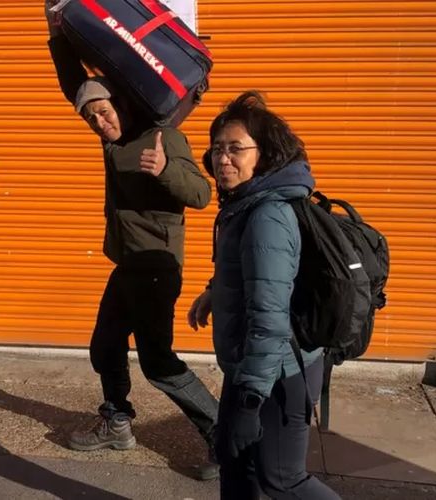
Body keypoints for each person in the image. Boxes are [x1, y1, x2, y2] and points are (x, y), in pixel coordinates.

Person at [44, 3, 219, 479]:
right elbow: (72, 85)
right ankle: (116, 423)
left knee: (159, 363)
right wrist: (56, 30)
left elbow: (202, 195)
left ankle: (226, 441)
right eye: (91, 119)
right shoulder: (112, 139)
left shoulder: (162, 138)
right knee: (104, 347)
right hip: (127, 265)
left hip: (158, 268)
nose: (99, 123)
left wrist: (165, 174)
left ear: (121, 102)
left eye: (102, 113)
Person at [188, 91, 341, 499]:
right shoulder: (247, 203)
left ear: (264, 154)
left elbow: (270, 319)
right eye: (217, 148)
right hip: (252, 366)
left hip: (277, 373)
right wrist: (213, 292)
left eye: (235, 148)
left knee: (281, 479)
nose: (223, 159)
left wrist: (250, 401)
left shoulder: (267, 215)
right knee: (235, 466)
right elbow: (250, 271)